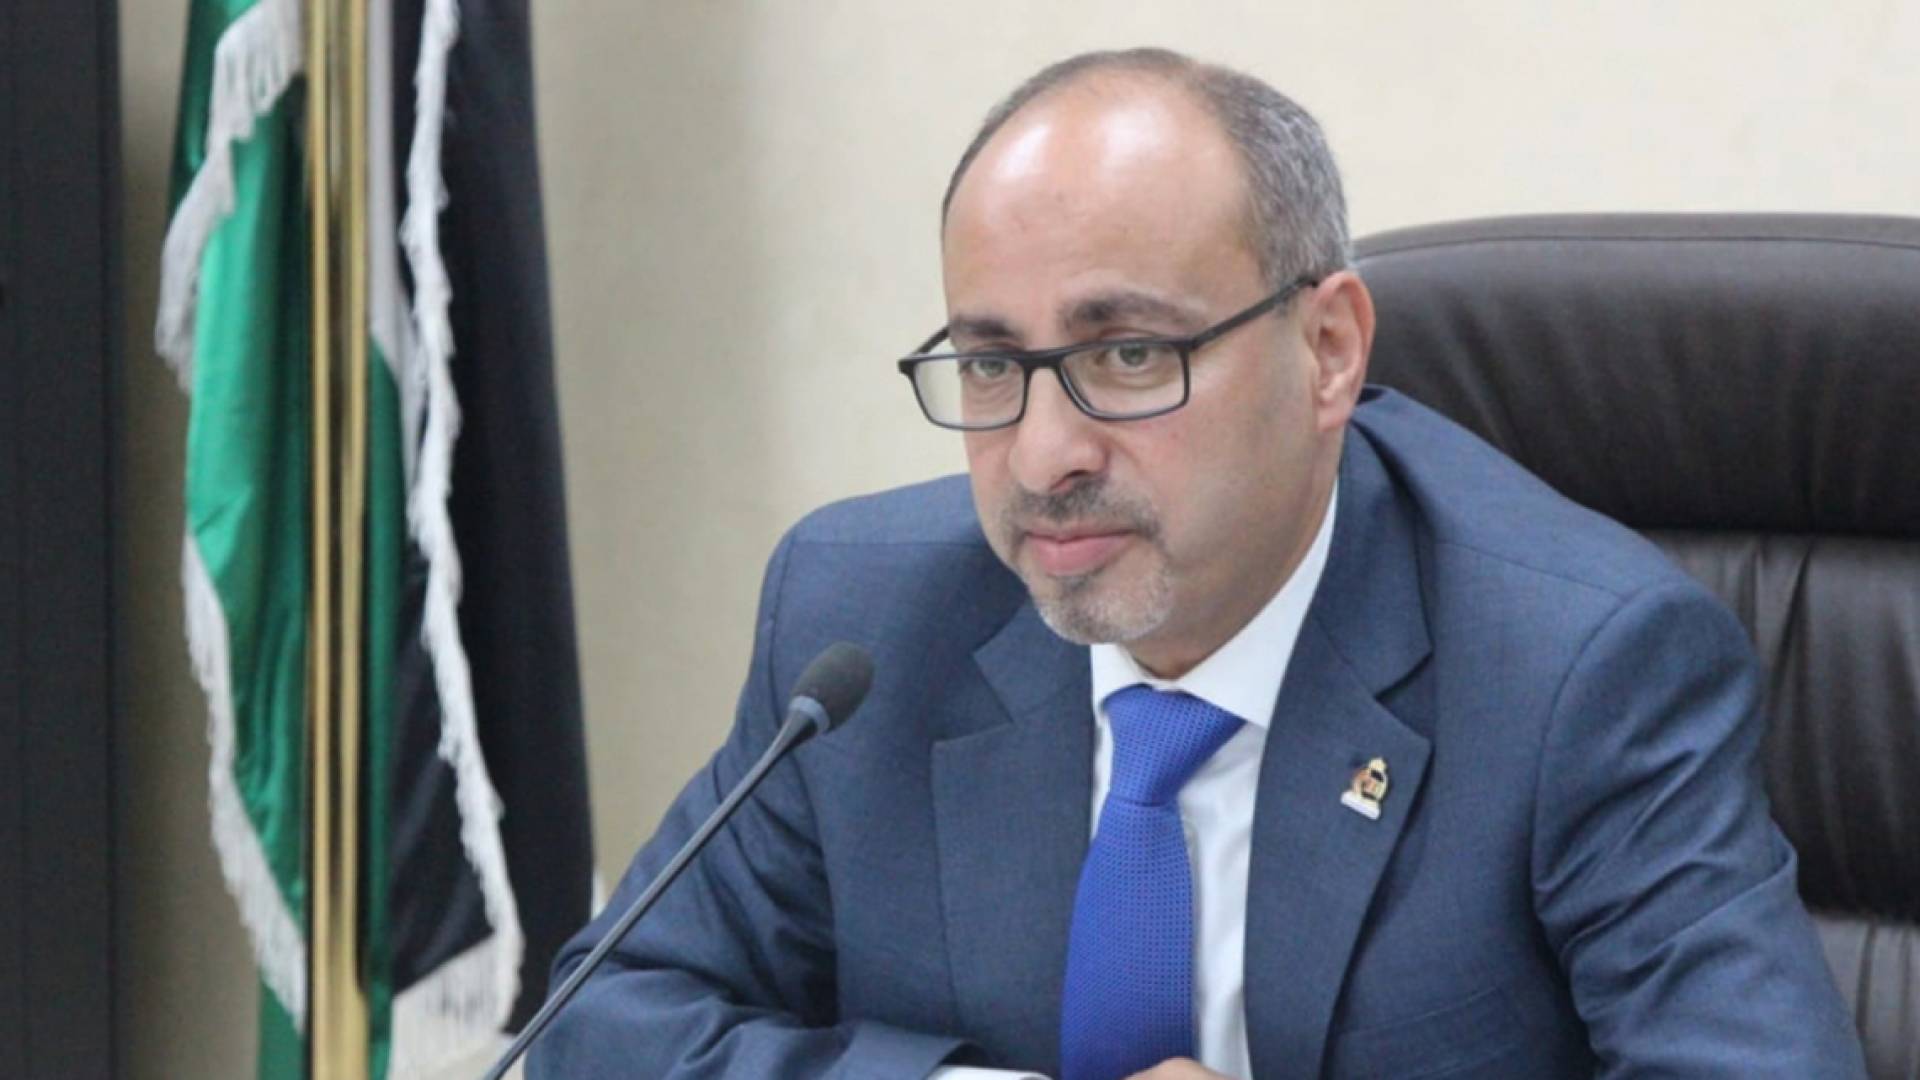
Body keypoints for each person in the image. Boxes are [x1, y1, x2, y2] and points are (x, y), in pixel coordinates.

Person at [529, 48, 1865, 1079]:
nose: (1044, 452)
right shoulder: (863, 619)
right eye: (991, 364)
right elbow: (604, 1026)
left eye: (1126, 355)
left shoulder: (1582, 668)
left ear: (1328, 352)